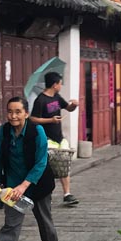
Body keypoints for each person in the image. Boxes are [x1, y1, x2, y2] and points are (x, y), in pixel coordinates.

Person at [0, 97, 58, 241]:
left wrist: (25, 185)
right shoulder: (4, 131)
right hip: (13, 186)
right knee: (11, 224)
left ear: (26, 113)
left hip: (37, 183)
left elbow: (41, 162)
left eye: (18, 111)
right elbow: (0, 158)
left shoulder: (37, 131)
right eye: (10, 112)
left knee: (43, 219)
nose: (13, 116)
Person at [30, 72, 79, 206]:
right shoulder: (41, 100)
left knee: (64, 164)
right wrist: (50, 120)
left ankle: (67, 194)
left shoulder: (57, 97)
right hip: (46, 138)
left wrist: (74, 105)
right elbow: (33, 119)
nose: (61, 85)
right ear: (54, 84)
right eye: (60, 83)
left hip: (59, 137)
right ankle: (43, 193)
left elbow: (68, 108)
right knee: (47, 167)